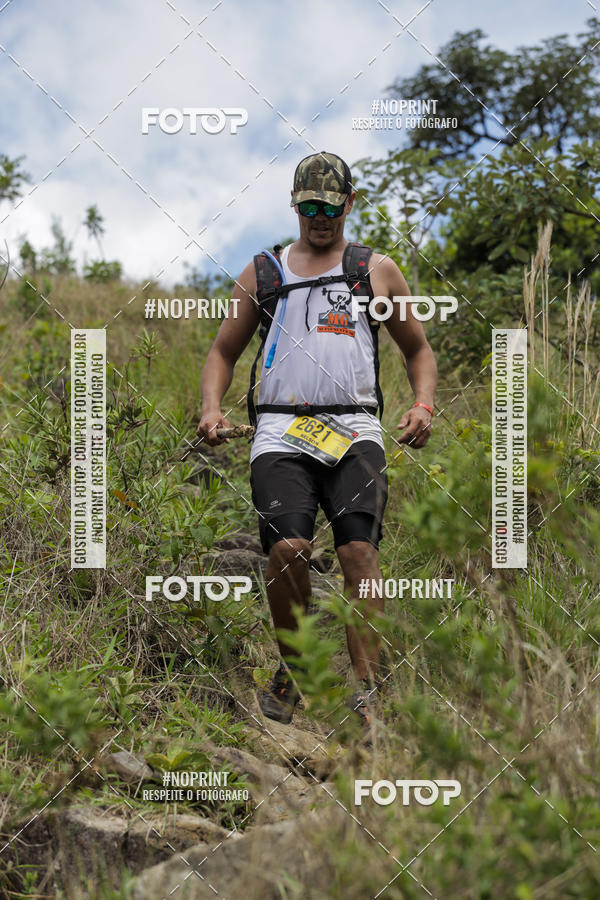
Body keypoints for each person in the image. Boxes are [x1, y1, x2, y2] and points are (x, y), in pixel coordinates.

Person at [198, 151, 437, 729]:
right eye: (308, 208)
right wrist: (209, 409)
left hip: (355, 428)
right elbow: (223, 352)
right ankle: (298, 669)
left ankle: (367, 692)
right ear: (294, 205)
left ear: (348, 204)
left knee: (359, 553)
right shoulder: (265, 272)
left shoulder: (374, 270)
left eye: (329, 208)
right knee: (287, 551)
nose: (319, 218)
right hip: (280, 430)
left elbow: (417, 349)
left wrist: (424, 404)